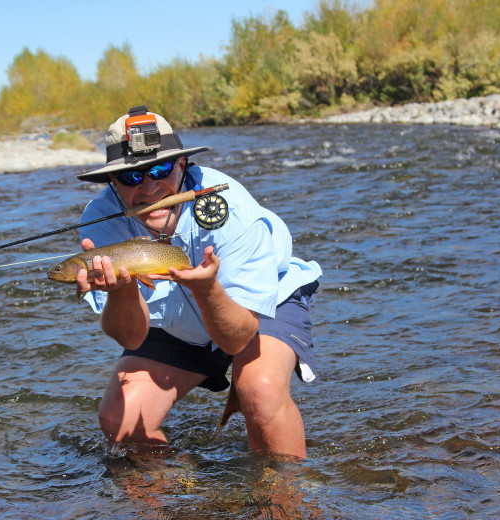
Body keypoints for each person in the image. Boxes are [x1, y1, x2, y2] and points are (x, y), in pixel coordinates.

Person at [74, 106, 322, 458]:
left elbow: (236, 338)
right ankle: (185, 495)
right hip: (178, 323)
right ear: (113, 182)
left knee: (261, 392)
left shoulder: (231, 211)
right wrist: (124, 291)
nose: (149, 187)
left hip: (260, 306)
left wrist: (207, 289)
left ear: (182, 166)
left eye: (160, 169)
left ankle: (288, 503)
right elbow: (130, 337)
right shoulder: (100, 223)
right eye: (130, 177)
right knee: (119, 419)